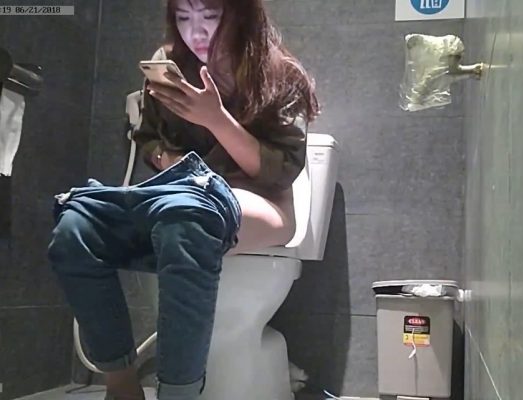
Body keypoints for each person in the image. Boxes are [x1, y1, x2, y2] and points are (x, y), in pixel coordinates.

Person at [46, 0, 319, 399]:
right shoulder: (169, 64)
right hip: (181, 194)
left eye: (210, 15)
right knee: (76, 224)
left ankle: (178, 393)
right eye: (183, 16)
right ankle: (122, 387)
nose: (196, 31)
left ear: (240, 13)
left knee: (188, 219)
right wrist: (170, 160)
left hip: (262, 201)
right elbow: (148, 138)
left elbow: (280, 172)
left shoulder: (279, 73)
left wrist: (215, 119)